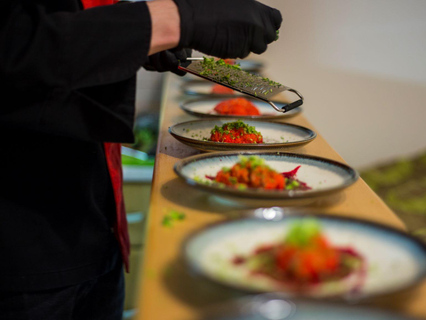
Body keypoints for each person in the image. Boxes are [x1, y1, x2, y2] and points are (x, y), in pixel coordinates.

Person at [0, 0, 282, 319]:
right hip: (21, 255)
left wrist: (135, 43)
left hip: (93, 224)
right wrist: (173, 19)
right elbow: (15, 44)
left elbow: (61, 29)